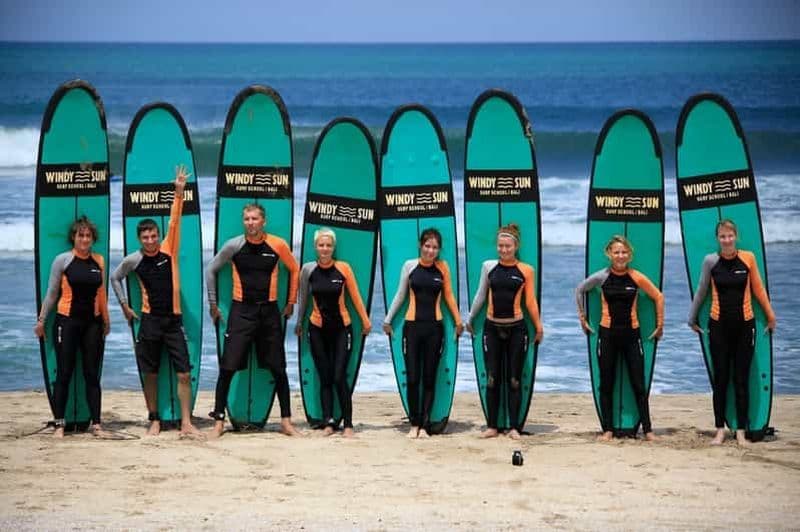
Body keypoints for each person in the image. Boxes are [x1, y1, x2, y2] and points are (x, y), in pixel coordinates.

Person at [110, 164, 202, 439]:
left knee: (183, 373)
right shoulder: (134, 260)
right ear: (139, 239)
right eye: (145, 237)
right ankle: (154, 418)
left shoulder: (168, 249)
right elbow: (115, 277)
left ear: (157, 236)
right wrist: (125, 306)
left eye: (153, 236)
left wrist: (179, 192)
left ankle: (186, 421)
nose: (150, 240)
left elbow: (175, 220)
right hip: (149, 322)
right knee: (150, 373)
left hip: (173, 322)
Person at [206, 203, 301, 438]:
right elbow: (211, 269)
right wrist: (213, 304)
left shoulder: (277, 245)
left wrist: (291, 302)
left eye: (255, 218)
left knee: (278, 368)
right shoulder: (234, 245)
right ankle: (218, 420)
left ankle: (286, 421)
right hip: (241, 312)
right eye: (247, 219)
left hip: (269, 312)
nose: (251, 223)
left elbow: (295, 270)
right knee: (227, 366)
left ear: (263, 221)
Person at [687, 219, 777, 446]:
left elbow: (758, 288)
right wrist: (692, 317)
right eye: (722, 237)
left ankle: (740, 431)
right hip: (718, 326)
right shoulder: (711, 261)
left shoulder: (748, 258)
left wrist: (770, 314)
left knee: (741, 379)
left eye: (730, 236)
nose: (726, 240)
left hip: (745, 325)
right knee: (721, 379)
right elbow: (701, 290)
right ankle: (719, 429)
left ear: (735, 236)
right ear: (717, 238)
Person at [575, 235, 663, 442]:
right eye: (616, 252)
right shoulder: (602, 277)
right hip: (607, 336)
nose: (620, 256)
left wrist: (660, 325)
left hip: (632, 336)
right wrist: (582, 318)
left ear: (629, 254)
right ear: (609, 254)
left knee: (638, 385)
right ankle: (608, 429)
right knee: (606, 384)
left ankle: (648, 430)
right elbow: (579, 289)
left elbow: (658, 296)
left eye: (624, 252)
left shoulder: (636, 277)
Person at [35, 216, 111, 438]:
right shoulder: (63, 260)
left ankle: (96, 424)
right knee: (65, 373)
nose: (85, 239)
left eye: (88, 235)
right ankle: (60, 424)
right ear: (74, 237)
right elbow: (51, 294)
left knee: (91, 374)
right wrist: (41, 321)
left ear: (92, 238)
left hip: (92, 324)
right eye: (81, 235)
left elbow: (101, 294)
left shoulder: (99, 260)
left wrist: (106, 320)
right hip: (67, 322)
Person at [383, 228, 462, 439]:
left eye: (435, 247)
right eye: (427, 246)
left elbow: (449, 297)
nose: (430, 251)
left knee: (429, 379)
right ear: (421, 245)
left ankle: (425, 426)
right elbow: (400, 295)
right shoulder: (410, 266)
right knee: (413, 378)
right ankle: (414, 424)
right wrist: (388, 319)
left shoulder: (442, 268)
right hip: (412, 328)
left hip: (435, 329)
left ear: (439, 249)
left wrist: (458, 321)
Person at [467, 223, 543, 440]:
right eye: (500, 246)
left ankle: (514, 427)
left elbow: (530, 301)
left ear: (516, 246)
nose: (503, 250)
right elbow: (481, 295)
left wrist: (538, 326)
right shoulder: (488, 267)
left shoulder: (526, 270)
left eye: (508, 246)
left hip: (517, 329)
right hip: (491, 328)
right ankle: (492, 426)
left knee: (514, 380)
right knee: (492, 378)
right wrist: (471, 318)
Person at [294, 228, 371, 438]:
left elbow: (355, 296)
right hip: (317, 329)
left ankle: (347, 425)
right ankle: (328, 421)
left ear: (333, 247)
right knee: (325, 377)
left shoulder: (343, 268)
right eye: (321, 245)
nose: (325, 248)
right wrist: (299, 322)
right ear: (315, 247)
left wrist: (365, 320)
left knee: (339, 376)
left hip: (341, 329)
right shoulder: (308, 270)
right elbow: (303, 299)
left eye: (328, 245)